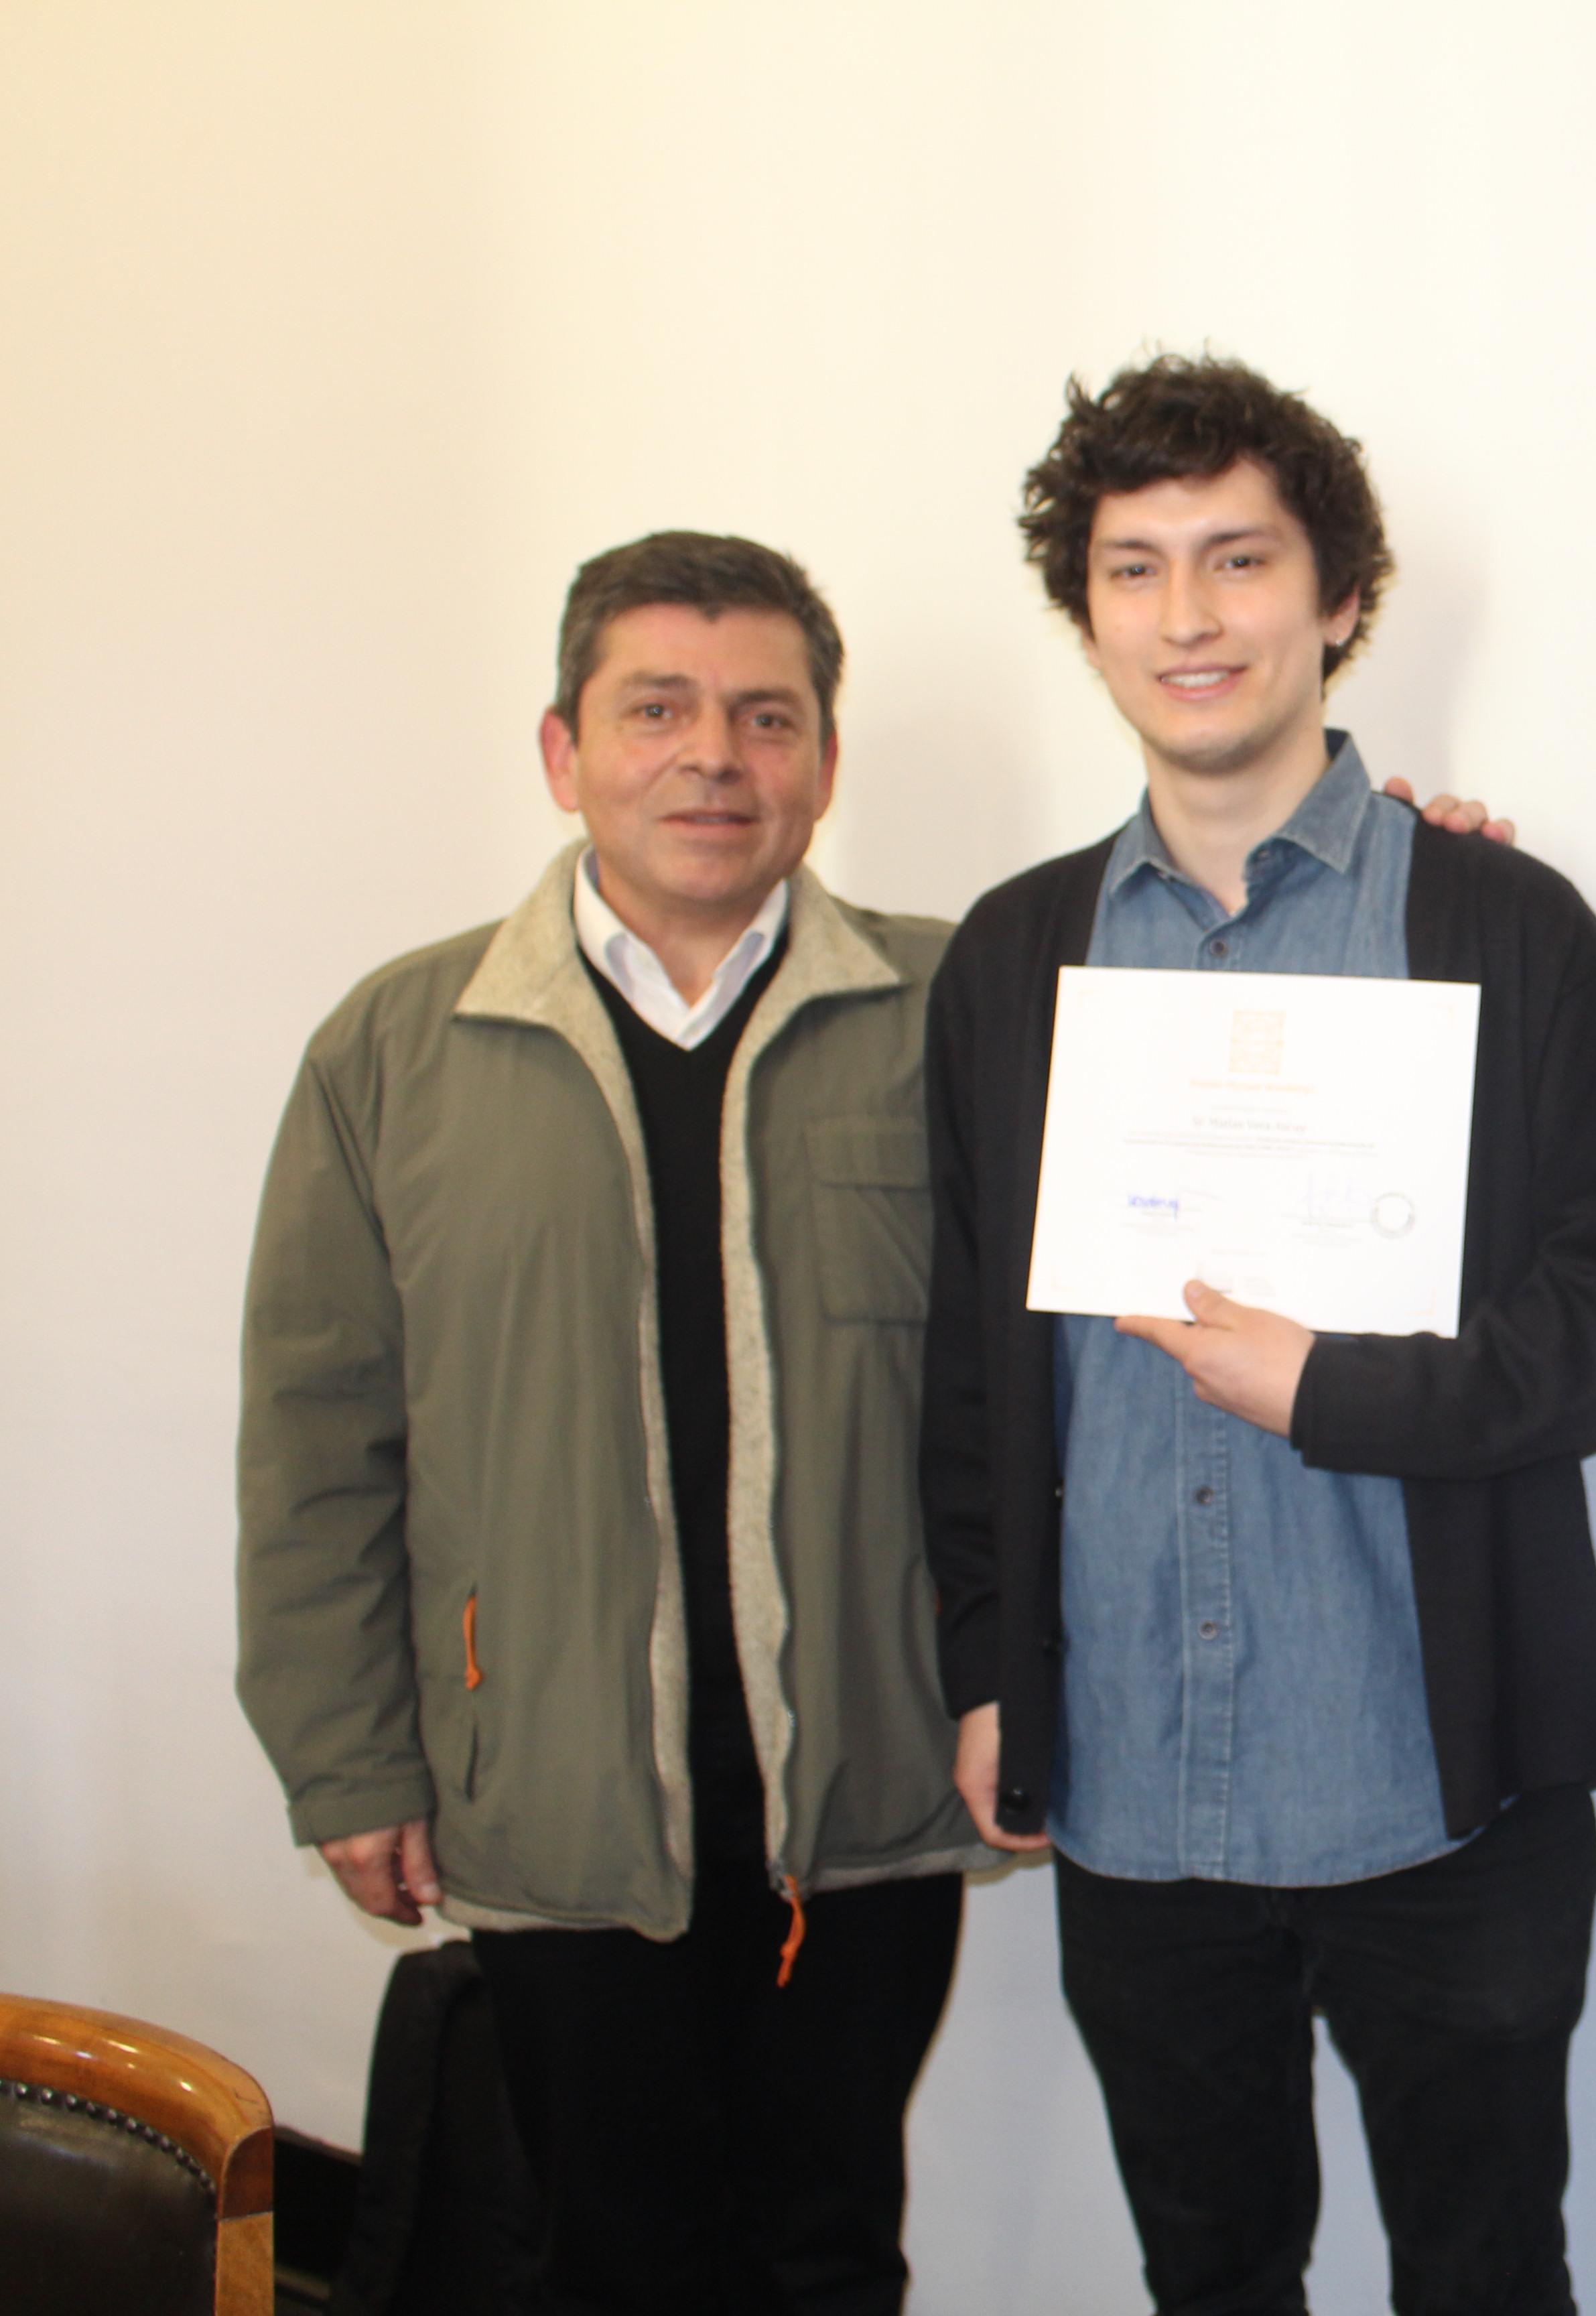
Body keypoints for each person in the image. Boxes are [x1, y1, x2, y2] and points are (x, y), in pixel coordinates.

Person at [919, 352, 1596, 2316]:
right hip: (1136, 1794)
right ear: (1085, 615)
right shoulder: (1014, 959)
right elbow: (967, 1364)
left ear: (1340, 601)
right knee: (1213, 2273)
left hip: (1443, 1787)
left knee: (1489, 2269)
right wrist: (992, 1659)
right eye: (1135, 568)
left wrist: (1340, 1390)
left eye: (1241, 560)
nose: (1191, 616)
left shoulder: (1504, 927)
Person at [235, 532, 988, 2315]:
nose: (714, 755)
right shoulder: (400, 1050)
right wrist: (347, 1759)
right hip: (548, 1782)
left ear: (822, 756)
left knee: (827, 2251)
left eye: (766, 715)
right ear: (564, 753)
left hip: (865, 1791)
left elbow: (1208, 1131)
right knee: (610, 2258)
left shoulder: (958, 1012)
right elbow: (316, 1435)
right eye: (657, 711)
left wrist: (1421, 866)